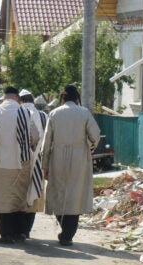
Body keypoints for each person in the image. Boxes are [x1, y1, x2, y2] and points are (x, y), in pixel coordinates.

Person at [40, 84, 100, 246]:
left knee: (58, 192)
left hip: (57, 157)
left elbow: (46, 143)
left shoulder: (54, 113)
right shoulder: (84, 113)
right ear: (77, 98)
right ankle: (68, 234)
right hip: (79, 158)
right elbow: (96, 136)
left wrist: (44, 165)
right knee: (75, 195)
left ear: (62, 98)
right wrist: (87, 147)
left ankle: (65, 230)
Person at [0, 86, 39, 244]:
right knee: (19, 198)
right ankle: (19, 233)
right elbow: (35, 136)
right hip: (22, 161)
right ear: (17, 98)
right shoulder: (25, 113)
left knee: (3, 198)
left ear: (3, 98)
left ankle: (5, 234)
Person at [20, 89, 48, 239]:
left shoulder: (17, 114)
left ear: (20, 101)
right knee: (33, 196)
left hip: (18, 162)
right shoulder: (44, 116)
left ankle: (17, 229)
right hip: (38, 162)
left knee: (19, 195)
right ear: (33, 101)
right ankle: (26, 230)